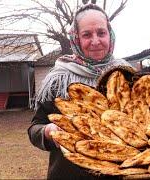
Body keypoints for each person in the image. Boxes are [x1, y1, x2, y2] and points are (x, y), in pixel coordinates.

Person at [28, 4, 132, 179]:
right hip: (69, 173)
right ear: (75, 38)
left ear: (110, 34)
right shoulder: (58, 80)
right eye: (86, 34)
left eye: (101, 32)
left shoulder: (128, 75)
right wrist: (47, 131)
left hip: (121, 172)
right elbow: (34, 128)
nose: (95, 41)